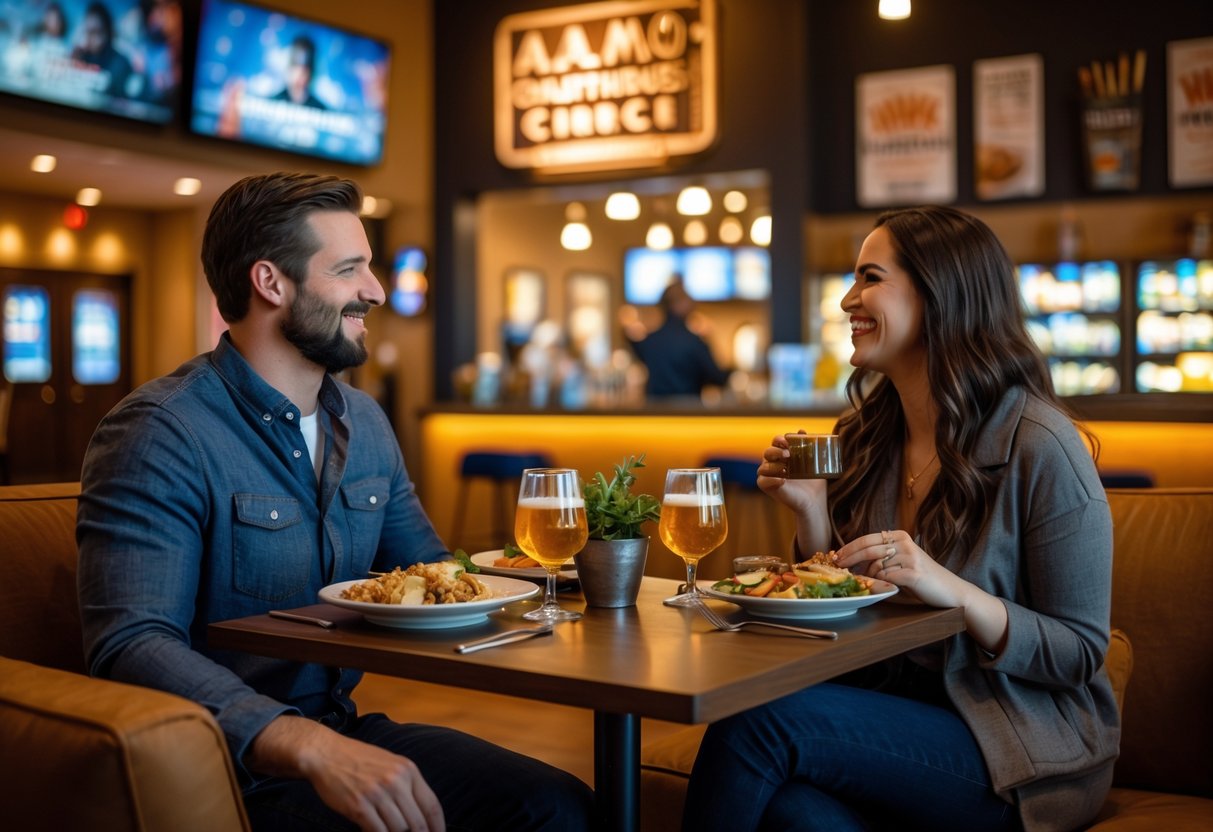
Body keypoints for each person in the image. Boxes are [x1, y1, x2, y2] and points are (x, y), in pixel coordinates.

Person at [77, 172, 594, 831]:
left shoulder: (365, 421)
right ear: (271, 283)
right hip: (219, 770)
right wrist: (309, 746)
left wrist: (576, 576)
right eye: (350, 269)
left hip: (340, 731)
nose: (374, 291)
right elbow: (129, 642)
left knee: (556, 806)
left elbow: (436, 576)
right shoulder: (160, 431)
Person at [681, 206, 1118, 832]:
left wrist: (949, 589)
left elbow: (1079, 651)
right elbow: (848, 613)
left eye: (870, 278)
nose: (847, 300)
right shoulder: (864, 436)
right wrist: (813, 516)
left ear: (939, 294)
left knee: (760, 720)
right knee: (792, 815)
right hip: (892, 710)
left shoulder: (1041, 445)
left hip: (1019, 739)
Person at [628, 279, 730, 399]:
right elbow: (717, 378)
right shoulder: (693, 342)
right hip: (686, 412)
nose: (692, 302)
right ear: (677, 304)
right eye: (687, 298)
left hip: (654, 412)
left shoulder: (649, 341)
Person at [70, 1, 133, 98]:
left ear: (108, 31)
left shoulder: (121, 64)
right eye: (88, 32)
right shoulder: (80, 57)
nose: (91, 38)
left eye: (96, 32)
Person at [274, 34, 326, 109]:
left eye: (306, 68)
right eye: (297, 66)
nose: (301, 72)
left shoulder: (320, 110)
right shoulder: (273, 102)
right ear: (289, 67)